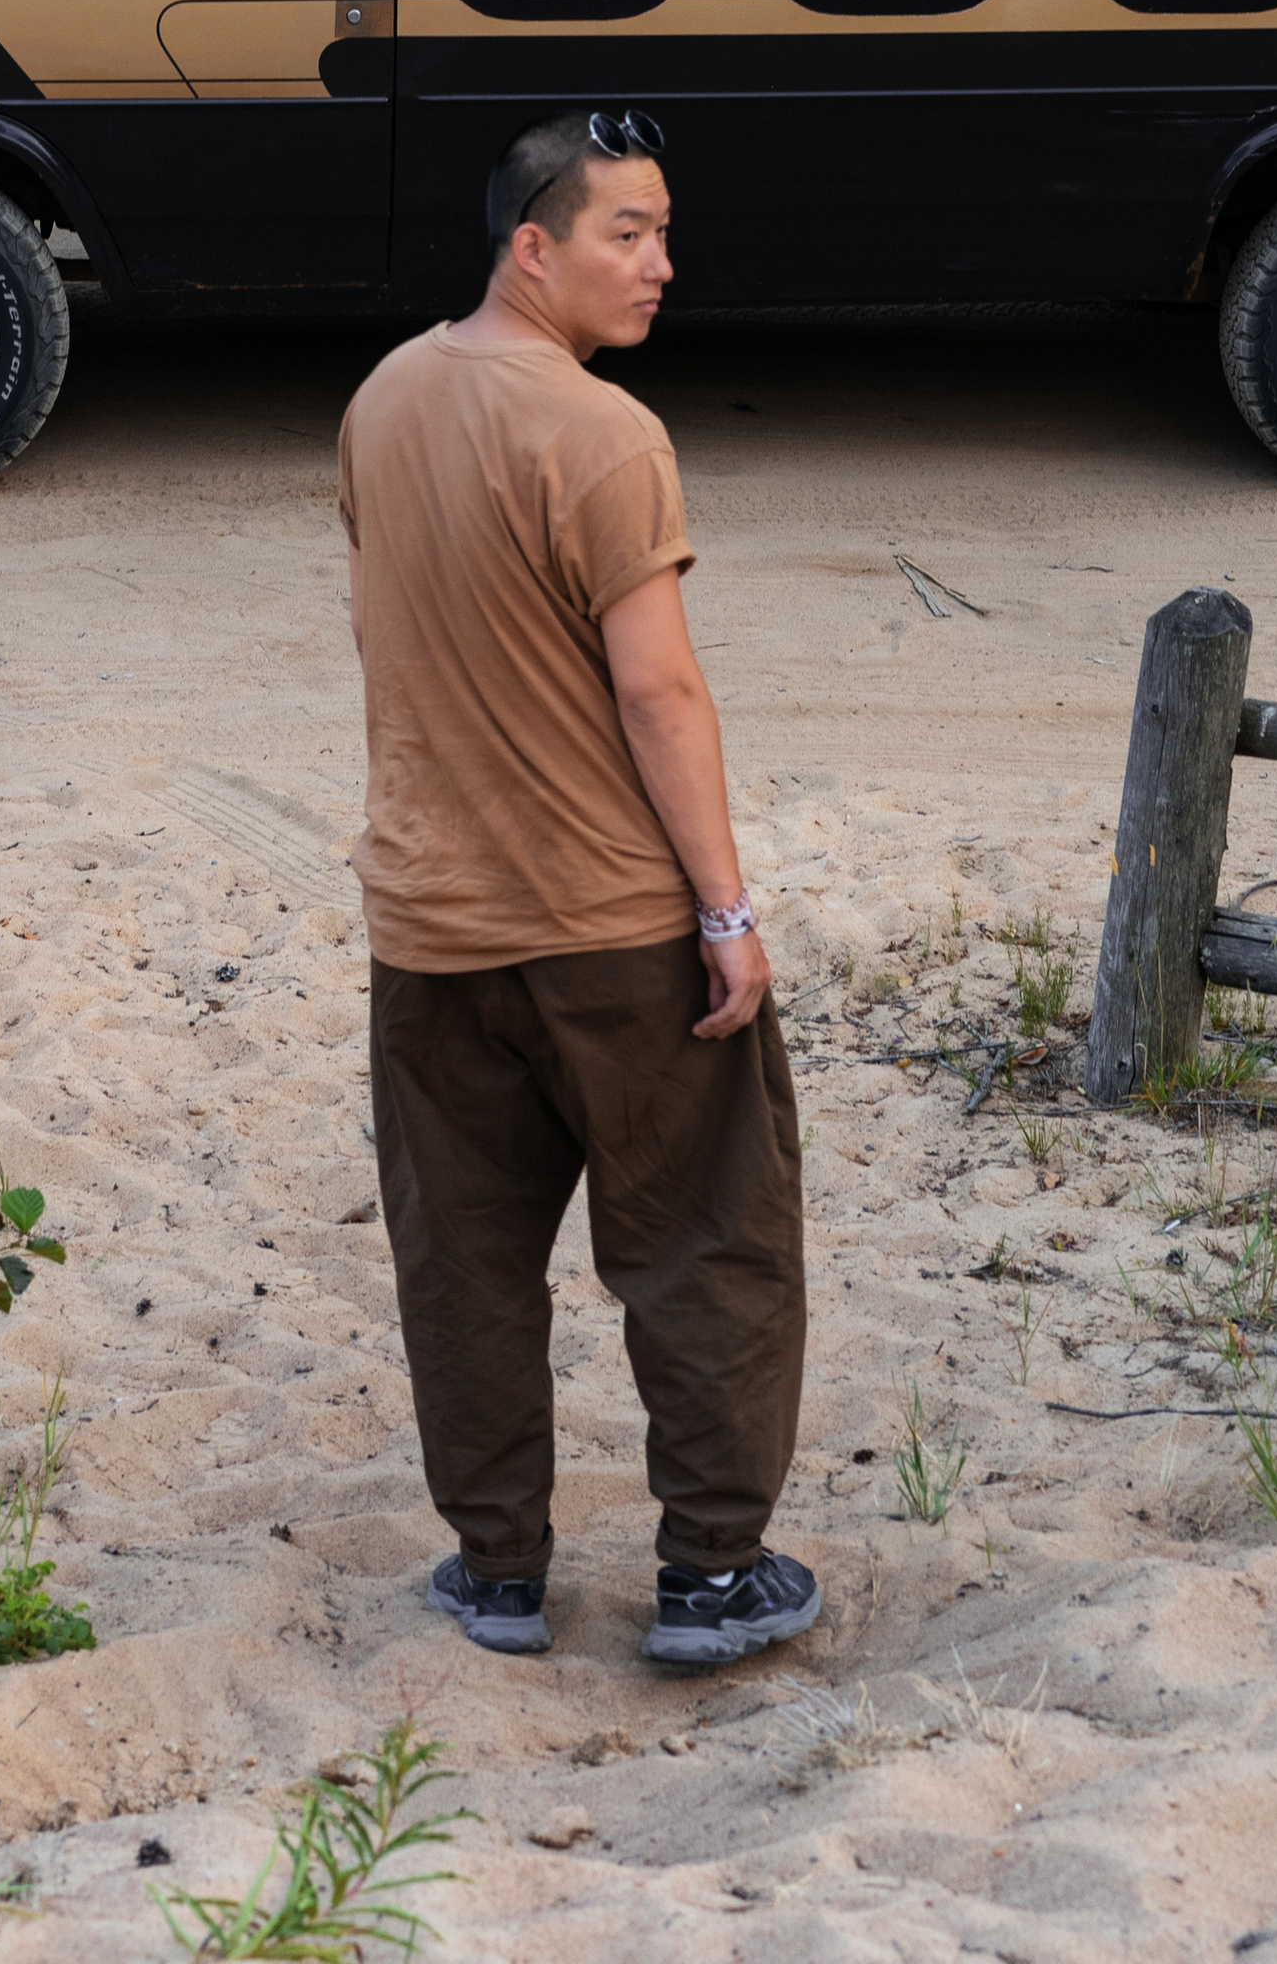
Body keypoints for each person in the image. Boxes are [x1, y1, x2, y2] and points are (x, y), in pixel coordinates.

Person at [335, 105, 816, 1669]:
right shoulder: (606, 436)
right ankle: (713, 1576)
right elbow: (661, 696)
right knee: (705, 1246)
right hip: (612, 929)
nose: (662, 265)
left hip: (432, 925)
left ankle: (494, 1571)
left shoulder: (386, 397)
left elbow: (388, 627)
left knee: (464, 1260)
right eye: (630, 233)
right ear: (531, 245)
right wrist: (728, 913)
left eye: (667, 232)